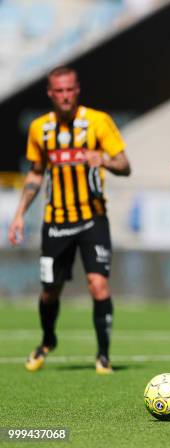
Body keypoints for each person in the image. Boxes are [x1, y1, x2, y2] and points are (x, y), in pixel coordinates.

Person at [8, 66, 131, 374]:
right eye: (58, 91)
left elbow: (124, 165)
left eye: (69, 90)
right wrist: (20, 214)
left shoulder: (98, 122)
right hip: (56, 223)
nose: (64, 96)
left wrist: (102, 159)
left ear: (78, 90)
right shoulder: (40, 129)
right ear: (50, 93)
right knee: (50, 291)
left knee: (98, 285)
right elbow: (36, 172)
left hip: (93, 219)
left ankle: (103, 354)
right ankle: (48, 340)